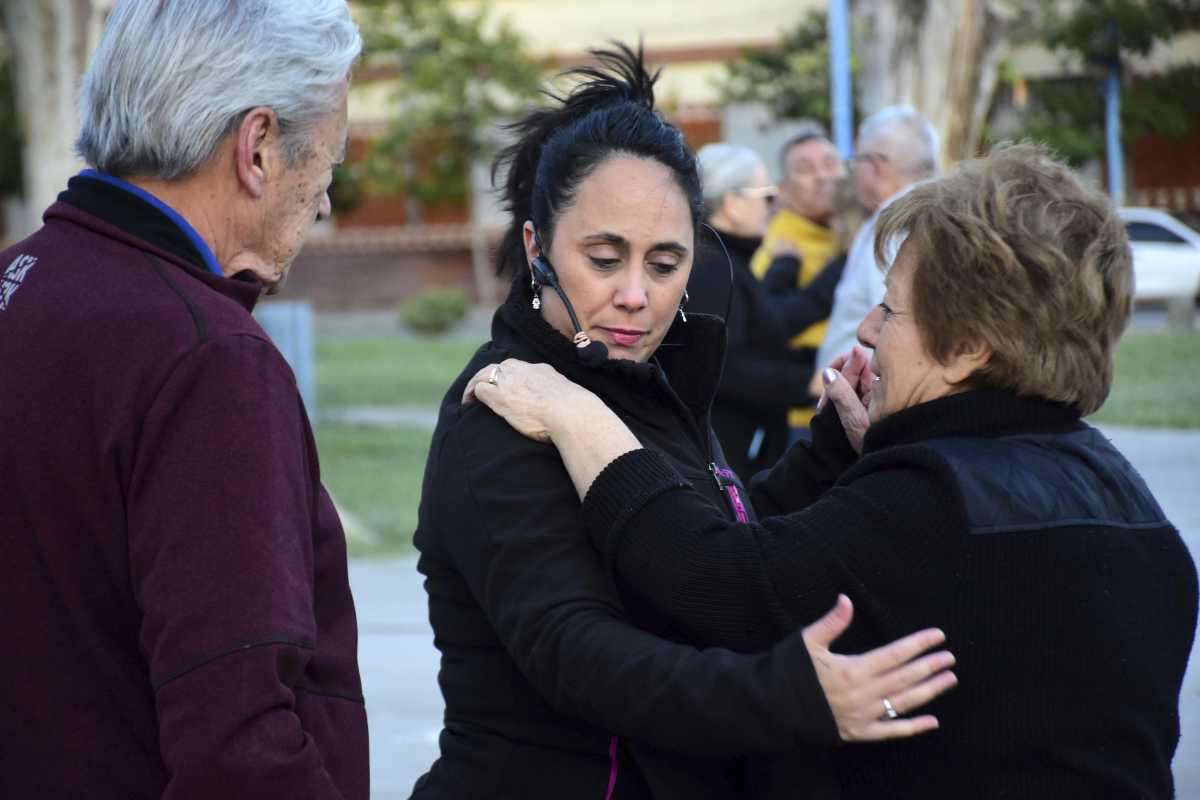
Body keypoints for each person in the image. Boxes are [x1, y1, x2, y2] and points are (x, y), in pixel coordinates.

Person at [467, 143, 1199, 797]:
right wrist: (847, 452)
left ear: (971, 346)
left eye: (892, 310)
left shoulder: (934, 499)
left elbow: (713, 580)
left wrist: (580, 418)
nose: (869, 330)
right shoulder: (1126, 495)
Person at [412, 45, 956, 800]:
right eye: (604, 259)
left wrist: (830, 445)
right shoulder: (504, 406)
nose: (636, 295)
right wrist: (790, 695)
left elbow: (705, 548)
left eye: (664, 264)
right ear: (536, 246)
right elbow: (580, 653)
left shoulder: (649, 375)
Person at [0, 2, 367, 798]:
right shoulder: (207, 358)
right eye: (327, 165)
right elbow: (238, 749)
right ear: (259, 146)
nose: (324, 202)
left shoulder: (20, 285)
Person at [688, 143, 843, 478]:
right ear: (732, 203)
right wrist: (807, 382)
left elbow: (762, 330)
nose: (774, 208)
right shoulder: (712, 267)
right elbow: (723, 367)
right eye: (766, 196)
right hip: (731, 457)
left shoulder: (728, 261)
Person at [813, 106, 939, 381]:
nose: (852, 173)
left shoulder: (893, 224)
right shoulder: (932, 216)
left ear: (877, 165)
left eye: (855, 161)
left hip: (867, 400)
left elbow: (892, 320)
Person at [750, 126, 845, 433]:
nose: (822, 176)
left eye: (830, 164)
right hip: (805, 421)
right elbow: (766, 329)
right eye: (805, 169)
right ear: (784, 189)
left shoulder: (849, 235)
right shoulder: (778, 249)